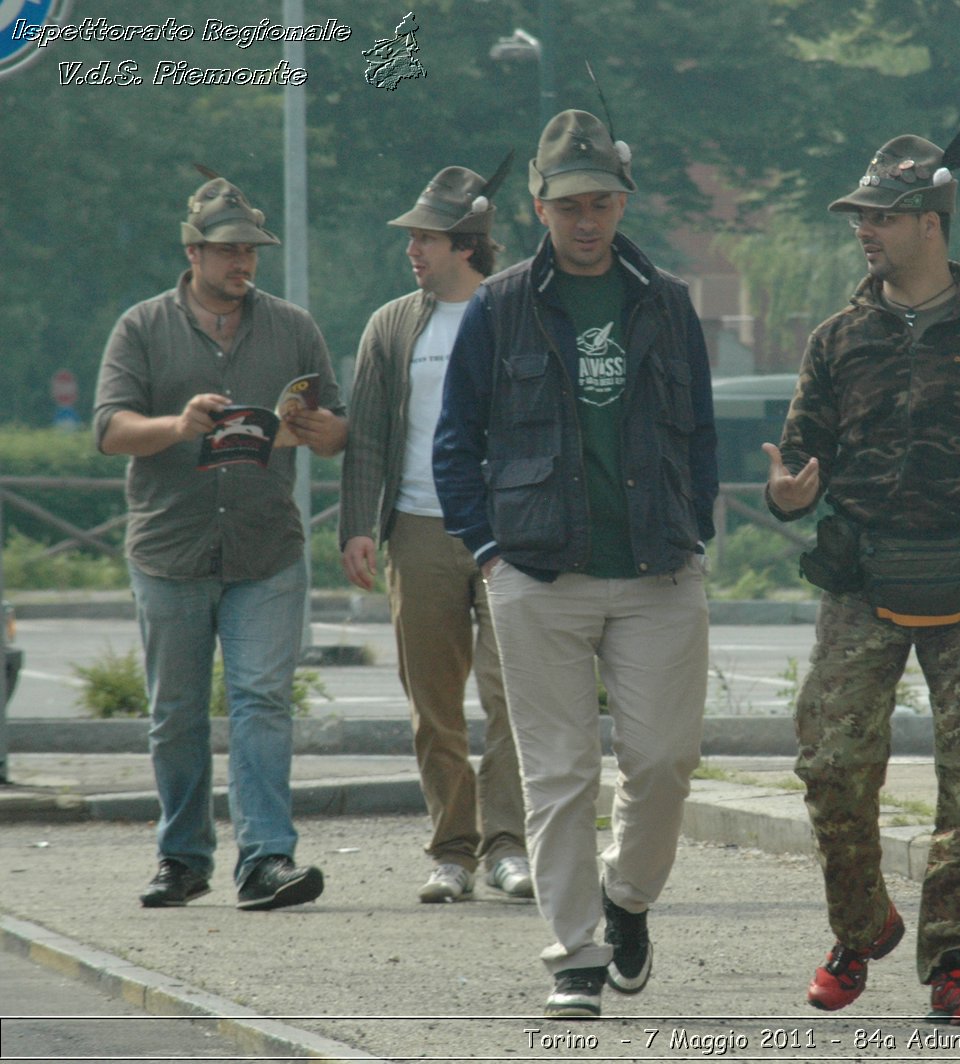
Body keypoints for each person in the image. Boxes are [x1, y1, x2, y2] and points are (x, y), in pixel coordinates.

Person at [763, 105, 960, 1027]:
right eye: (861, 216)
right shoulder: (837, 340)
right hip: (862, 581)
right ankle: (860, 929)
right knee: (831, 766)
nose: (864, 230)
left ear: (930, 225)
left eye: (881, 217)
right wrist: (788, 491)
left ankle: (955, 961)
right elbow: (795, 455)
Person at [434, 109, 718, 1019]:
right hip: (537, 574)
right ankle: (575, 956)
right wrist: (489, 554)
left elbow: (703, 433)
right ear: (538, 207)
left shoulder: (668, 301)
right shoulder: (499, 304)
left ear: (623, 202)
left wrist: (693, 531)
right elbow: (454, 444)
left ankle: (626, 899)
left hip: (657, 571)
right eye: (568, 206)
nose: (586, 221)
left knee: (665, 762)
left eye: (600, 203)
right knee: (559, 772)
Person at [94, 170, 348, 911]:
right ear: (194, 251)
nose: (244, 263)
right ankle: (183, 856)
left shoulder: (294, 327)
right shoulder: (142, 327)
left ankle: (268, 859)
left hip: (266, 549)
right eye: (230, 250)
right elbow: (109, 430)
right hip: (171, 549)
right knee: (174, 712)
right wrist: (177, 425)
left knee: (262, 700)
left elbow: (333, 432)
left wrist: (318, 429)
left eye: (252, 251)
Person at [339, 160, 533, 905]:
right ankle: (452, 848)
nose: (412, 251)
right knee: (433, 701)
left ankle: (508, 845)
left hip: (510, 532)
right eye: (412, 239)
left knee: (514, 695)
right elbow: (368, 438)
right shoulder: (392, 324)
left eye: (426, 238)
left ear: (467, 244)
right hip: (416, 530)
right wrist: (360, 525)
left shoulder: (519, 311)